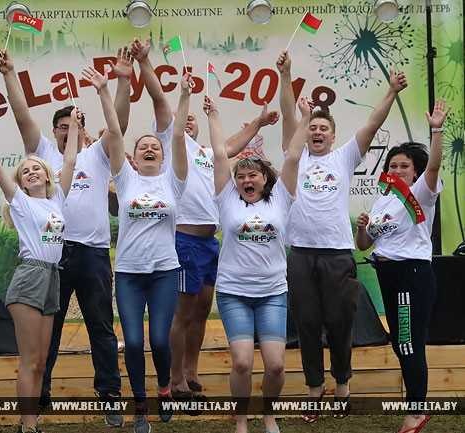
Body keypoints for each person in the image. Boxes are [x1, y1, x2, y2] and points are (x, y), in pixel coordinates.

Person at [129, 38, 280, 400]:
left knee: (200, 312)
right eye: (184, 118)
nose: (189, 120)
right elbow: (159, 99)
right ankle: (175, 379)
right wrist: (146, 62)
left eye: (194, 118)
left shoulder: (204, 153)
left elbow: (230, 145)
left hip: (210, 244)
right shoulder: (171, 143)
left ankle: (192, 372)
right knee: (181, 315)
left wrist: (259, 122)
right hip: (183, 241)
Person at [0, 48, 130, 426]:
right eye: (62, 126)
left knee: (101, 327)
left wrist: (122, 81)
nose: (69, 130)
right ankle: (40, 397)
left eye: (75, 125)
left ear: (84, 129)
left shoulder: (98, 153)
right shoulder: (41, 155)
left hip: (92, 252)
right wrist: (9, 74)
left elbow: (118, 122)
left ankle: (109, 396)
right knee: (48, 331)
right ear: (54, 130)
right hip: (53, 257)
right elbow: (22, 116)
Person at [285, 64, 408, 421]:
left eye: (323, 128)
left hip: (337, 254)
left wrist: (391, 92)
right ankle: (314, 389)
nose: (317, 132)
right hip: (301, 254)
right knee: (307, 324)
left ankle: (342, 385)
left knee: (340, 323)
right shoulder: (295, 158)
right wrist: (286, 76)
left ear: (333, 135)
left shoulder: (344, 157)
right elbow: (288, 117)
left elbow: (372, 124)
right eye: (313, 127)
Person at [0, 99, 81, 432]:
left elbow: (69, 159)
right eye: (26, 171)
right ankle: (28, 425)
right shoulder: (21, 202)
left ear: (47, 175)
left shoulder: (57, 199)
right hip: (29, 278)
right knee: (30, 359)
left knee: (41, 361)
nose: (32, 172)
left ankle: (30, 422)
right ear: (21, 183)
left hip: (52, 277)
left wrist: (75, 126)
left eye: (37, 168)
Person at [208, 94, 310, 433]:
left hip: (272, 293)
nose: (246, 181)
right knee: (241, 362)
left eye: (252, 175)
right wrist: (213, 114)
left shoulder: (281, 198)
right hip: (234, 292)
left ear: (265, 178)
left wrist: (305, 118)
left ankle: (268, 415)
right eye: (241, 177)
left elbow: (293, 155)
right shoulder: (227, 199)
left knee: (276, 366)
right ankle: (241, 419)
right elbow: (220, 154)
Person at [355, 100, 449, 433]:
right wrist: (362, 227)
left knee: (408, 342)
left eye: (404, 166)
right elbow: (364, 245)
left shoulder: (421, 192)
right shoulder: (383, 199)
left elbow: (434, 166)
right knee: (400, 343)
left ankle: (416, 411)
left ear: (415, 171)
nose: (396, 170)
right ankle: (416, 406)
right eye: (392, 165)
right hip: (388, 275)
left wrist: (437, 130)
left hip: (411, 274)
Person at [109, 70, 191, 433]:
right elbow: (114, 133)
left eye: (154, 146)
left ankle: (164, 388)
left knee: (159, 339)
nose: (148, 148)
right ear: (134, 155)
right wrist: (105, 90)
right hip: (129, 273)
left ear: (161, 154)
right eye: (143, 146)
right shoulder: (125, 178)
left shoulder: (173, 181)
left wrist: (184, 95)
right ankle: (140, 407)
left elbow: (177, 135)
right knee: (133, 342)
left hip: (163, 273)